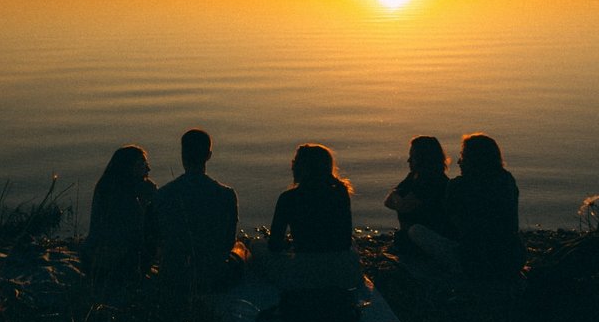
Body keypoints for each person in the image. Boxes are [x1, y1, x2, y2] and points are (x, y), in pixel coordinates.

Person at [409, 133, 525, 281]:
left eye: (462, 156)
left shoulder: (458, 186)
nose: (458, 162)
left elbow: (451, 225)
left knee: (415, 231)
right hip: (514, 259)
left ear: (472, 160)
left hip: (475, 263)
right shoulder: (507, 180)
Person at [264, 143, 362, 290]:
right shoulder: (340, 194)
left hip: (305, 273)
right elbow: (345, 240)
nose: (292, 166)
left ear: (302, 168)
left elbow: (274, 245)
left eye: (294, 163)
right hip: (343, 273)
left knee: (256, 247)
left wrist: (289, 244)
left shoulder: (288, 198)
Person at [155, 128, 240, 294]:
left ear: (182, 154)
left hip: (173, 276)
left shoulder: (162, 194)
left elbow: (158, 238)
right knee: (242, 249)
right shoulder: (226, 195)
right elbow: (228, 242)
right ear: (209, 156)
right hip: (213, 277)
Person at [81, 145, 157, 291]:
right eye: (142, 164)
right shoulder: (129, 194)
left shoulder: (105, 185)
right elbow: (137, 229)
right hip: (115, 264)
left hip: (89, 260)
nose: (148, 169)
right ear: (128, 167)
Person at [383, 135, 450, 251]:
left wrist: (397, 198)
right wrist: (398, 198)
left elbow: (404, 206)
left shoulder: (433, 181)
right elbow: (388, 202)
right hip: (412, 232)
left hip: (430, 233)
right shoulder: (414, 176)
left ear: (422, 158)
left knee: (405, 238)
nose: (408, 160)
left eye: (412, 156)